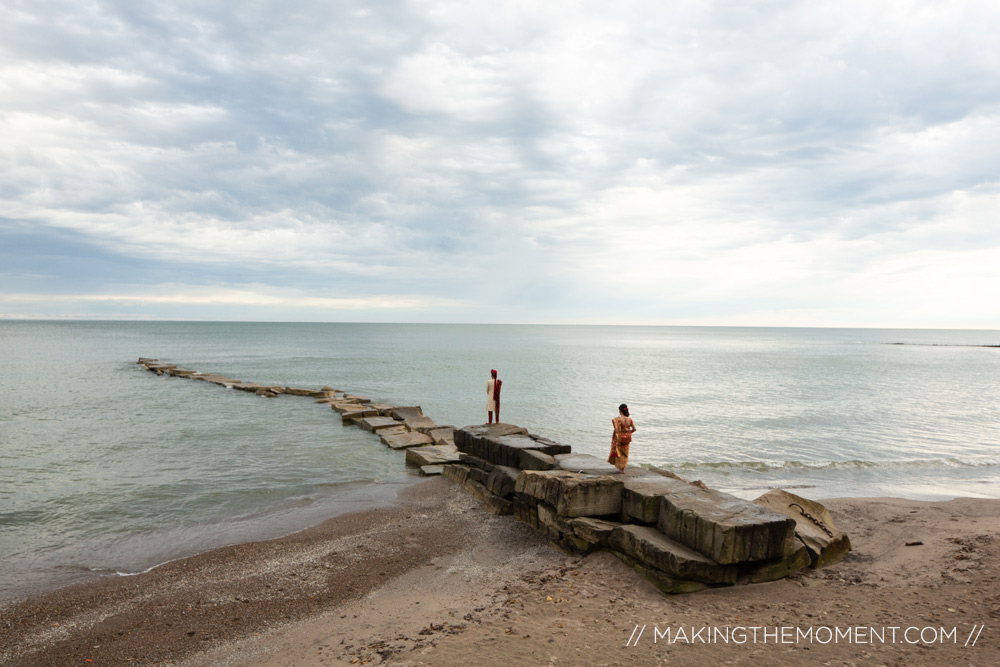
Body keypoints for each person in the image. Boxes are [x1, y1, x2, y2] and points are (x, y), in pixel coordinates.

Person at [608, 403, 636, 473]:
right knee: (625, 453)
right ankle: (623, 469)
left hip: (619, 438)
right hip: (627, 439)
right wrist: (629, 433)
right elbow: (634, 429)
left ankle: (620, 467)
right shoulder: (630, 419)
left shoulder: (616, 419)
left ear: (620, 411)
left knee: (619, 452)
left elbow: (616, 429)